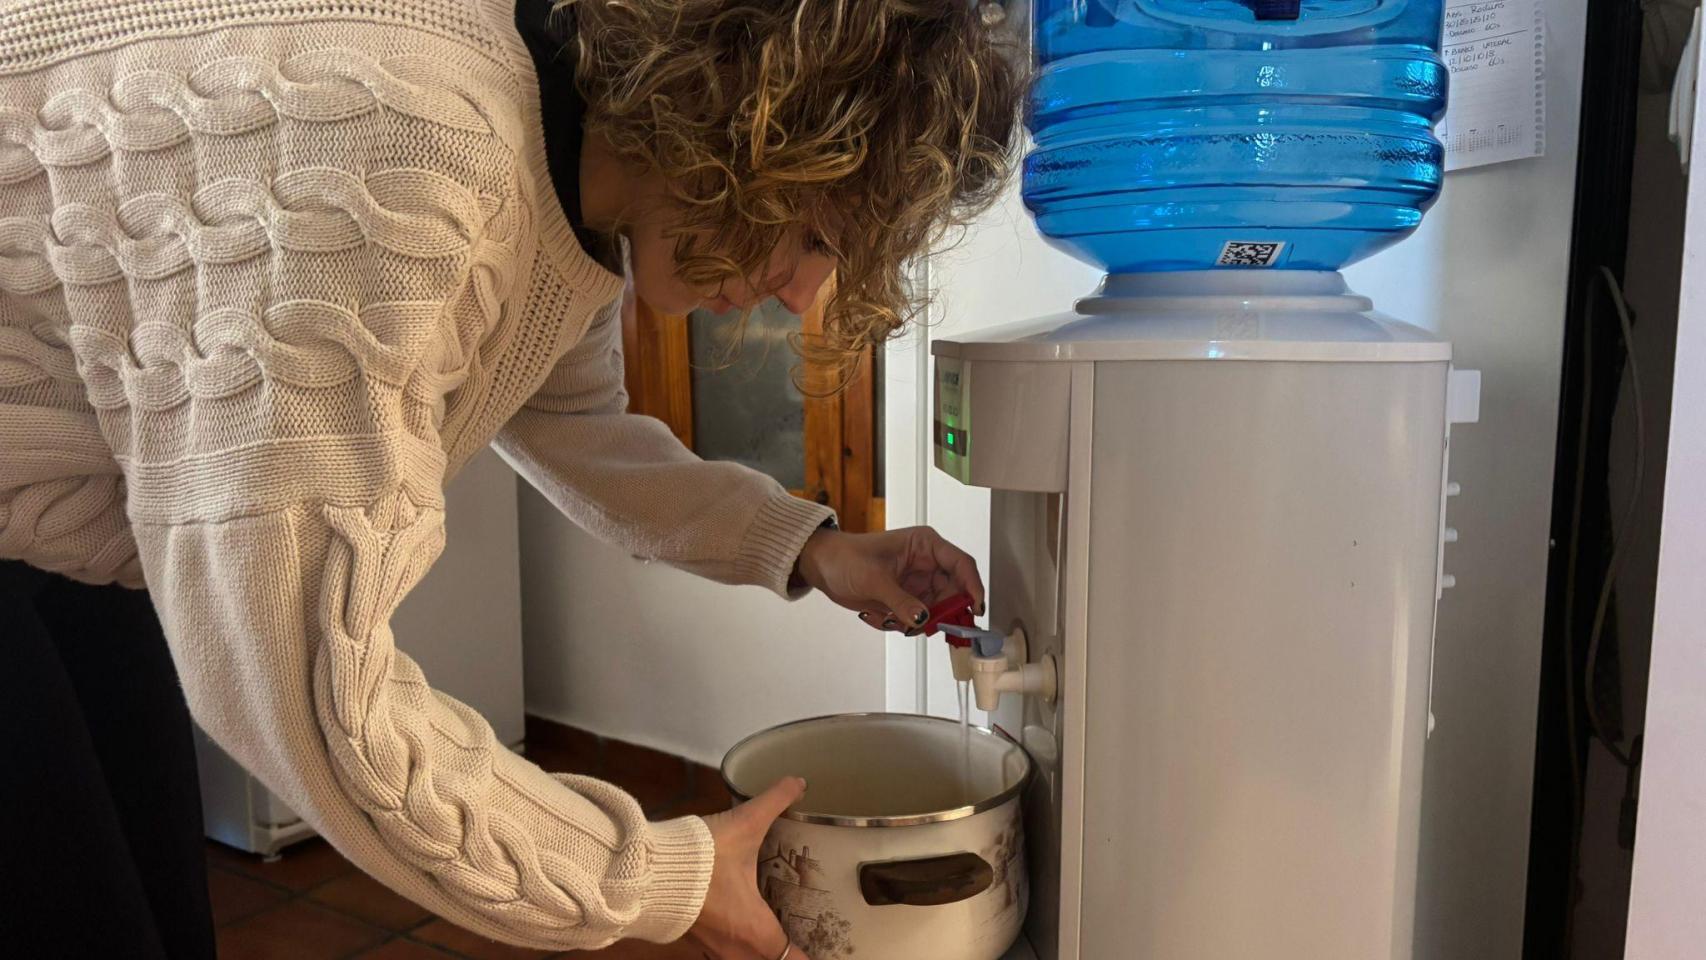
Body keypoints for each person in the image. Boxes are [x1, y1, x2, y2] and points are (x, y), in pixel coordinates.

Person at [0, 0, 1019, 957]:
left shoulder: (562, 172)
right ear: (749, 120)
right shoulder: (415, 150)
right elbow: (308, 699)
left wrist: (818, 550)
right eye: (815, 236)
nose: (803, 296)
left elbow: (577, 427)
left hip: (69, 544)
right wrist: (656, 877)